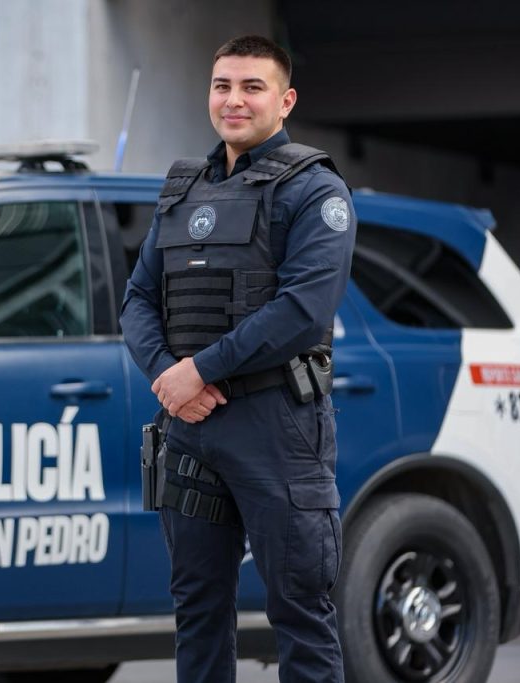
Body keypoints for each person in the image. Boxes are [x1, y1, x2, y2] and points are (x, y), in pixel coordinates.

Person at [121, 35, 355, 683]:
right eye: (223, 85)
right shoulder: (181, 191)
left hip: (276, 426)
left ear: (285, 100)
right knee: (197, 609)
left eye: (252, 87)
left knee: (300, 610)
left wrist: (200, 370)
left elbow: (302, 309)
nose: (234, 99)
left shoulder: (313, 191)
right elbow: (138, 297)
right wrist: (169, 377)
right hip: (191, 429)